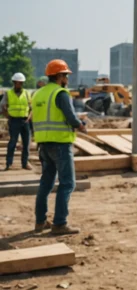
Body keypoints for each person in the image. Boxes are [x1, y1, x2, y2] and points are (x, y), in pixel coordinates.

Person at [32, 59, 86, 235]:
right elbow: (71, 118)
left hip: (43, 145)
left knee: (46, 183)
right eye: (65, 75)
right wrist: (80, 125)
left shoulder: (38, 94)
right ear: (59, 76)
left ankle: (40, 222)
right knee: (67, 183)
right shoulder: (61, 94)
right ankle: (59, 223)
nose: (67, 79)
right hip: (60, 144)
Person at [2, 72, 32, 170]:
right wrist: (8, 117)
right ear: (14, 82)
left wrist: (29, 117)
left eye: (21, 83)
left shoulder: (27, 93)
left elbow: (32, 108)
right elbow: (3, 106)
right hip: (14, 121)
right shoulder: (8, 93)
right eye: (17, 82)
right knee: (13, 142)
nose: (19, 84)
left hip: (25, 120)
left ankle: (25, 163)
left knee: (26, 143)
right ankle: (8, 163)